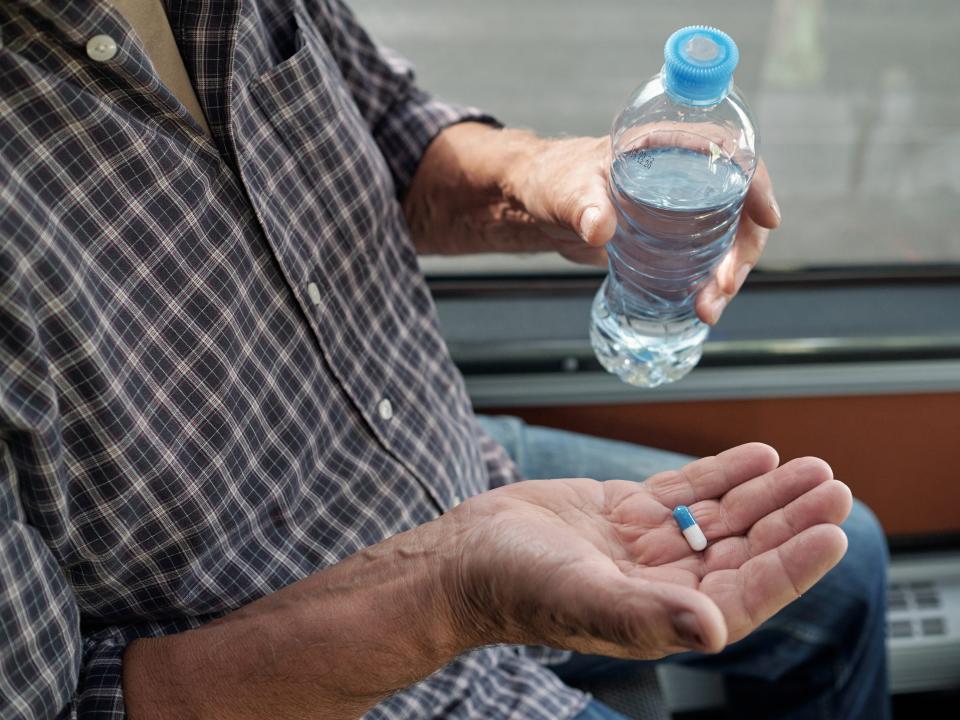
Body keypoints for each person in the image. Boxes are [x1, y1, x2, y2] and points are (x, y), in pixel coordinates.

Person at [0, 1, 888, 719]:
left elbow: (390, 126)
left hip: (452, 456)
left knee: (851, 558)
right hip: (329, 661)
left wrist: (542, 178)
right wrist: (455, 590)